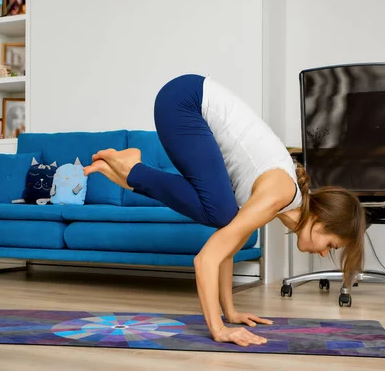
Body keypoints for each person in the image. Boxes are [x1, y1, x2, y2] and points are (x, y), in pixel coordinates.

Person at [83, 74, 366, 347]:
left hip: (185, 99)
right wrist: (219, 329)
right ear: (321, 220)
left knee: (226, 216)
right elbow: (206, 259)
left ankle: (132, 169)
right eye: (331, 244)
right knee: (221, 212)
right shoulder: (278, 194)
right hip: (183, 101)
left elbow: (228, 247)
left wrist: (231, 313)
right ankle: (134, 170)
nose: (324, 253)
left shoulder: (278, 202)